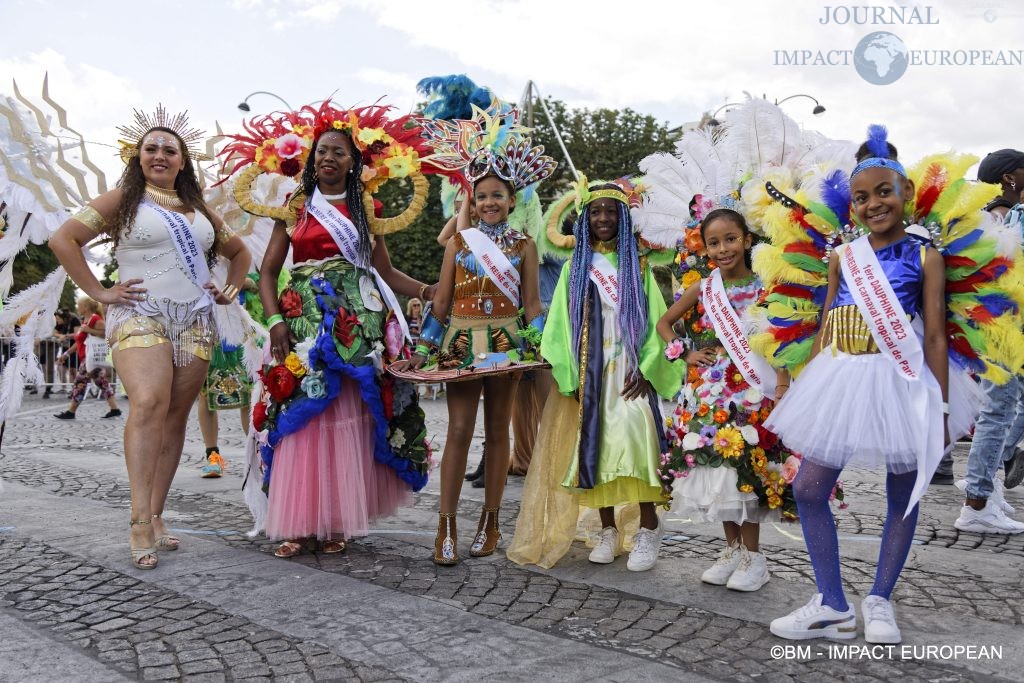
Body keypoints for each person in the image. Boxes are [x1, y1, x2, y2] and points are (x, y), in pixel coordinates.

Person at [767, 127, 949, 643]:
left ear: (907, 191)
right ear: (852, 206)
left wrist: (939, 405)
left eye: (884, 192)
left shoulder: (925, 257)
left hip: (899, 379)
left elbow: (934, 334)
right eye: (862, 198)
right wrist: (807, 384)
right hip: (841, 374)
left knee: (905, 494)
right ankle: (832, 602)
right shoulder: (843, 257)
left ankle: (880, 600)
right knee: (807, 487)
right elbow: (828, 322)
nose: (873, 205)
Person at [49, 110, 252, 569]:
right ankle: (139, 520)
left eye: (169, 150)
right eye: (151, 148)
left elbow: (238, 252)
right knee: (148, 403)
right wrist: (98, 291)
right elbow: (64, 238)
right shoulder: (123, 199)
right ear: (138, 157)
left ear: (183, 162)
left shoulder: (199, 211)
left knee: (176, 414)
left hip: (196, 319)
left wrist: (231, 289)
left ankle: (157, 513)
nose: (159, 155)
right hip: (139, 312)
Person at [253, 105, 433, 559]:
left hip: (356, 321)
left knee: (344, 417)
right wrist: (275, 320)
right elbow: (268, 272)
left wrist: (430, 289)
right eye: (321, 151)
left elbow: (384, 271)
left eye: (338, 152)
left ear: (354, 162)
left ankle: (335, 519)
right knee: (301, 413)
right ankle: (297, 519)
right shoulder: (294, 207)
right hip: (303, 318)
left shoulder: (364, 208)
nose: (327, 158)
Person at [507, 180, 682, 571]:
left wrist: (651, 369)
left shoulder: (637, 266)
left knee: (639, 443)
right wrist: (569, 375)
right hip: (590, 371)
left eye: (611, 211)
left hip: (630, 367)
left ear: (623, 218)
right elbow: (558, 329)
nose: (603, 217)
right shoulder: (574, 268)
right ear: (584, 219)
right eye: (596, 211)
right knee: (595, 449)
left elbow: (656, 319)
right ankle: (606, 529)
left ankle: (648, 529)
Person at [656, 208, 793, 590]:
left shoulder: (768, 286)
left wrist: (781, 384)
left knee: (746, 471)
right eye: (713, 242)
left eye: (730, 239)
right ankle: (732, 550)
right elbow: (664, 324)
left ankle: (754, 558)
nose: (723, 249)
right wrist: (685, 353)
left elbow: (782, 339)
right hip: (712, 393)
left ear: (747, 240)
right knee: (721, 474)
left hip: (753, 392)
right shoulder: (703, 288)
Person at [954, 149, 1024, 528]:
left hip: (994, 322)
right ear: (1011, 177)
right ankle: (977, 502)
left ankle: (986, 488)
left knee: (1001, 409)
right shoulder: (1004, 216)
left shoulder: (986, 214)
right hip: (1002, 324)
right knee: (999, 410)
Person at [53, 297, 121, 420]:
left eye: (79, 305)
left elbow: (106, 334)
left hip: (90, 358)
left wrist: (88, 329)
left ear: (85, 308)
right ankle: (114, 409)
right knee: (102, 383)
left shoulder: (95, 319)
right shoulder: (86, 320)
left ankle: (71, 411)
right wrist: (66, 354)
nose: (78, 307)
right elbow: (80, 341)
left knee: (80, 382)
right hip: (89, 357)